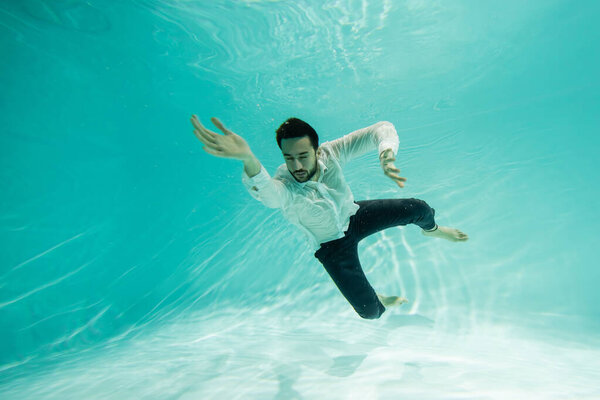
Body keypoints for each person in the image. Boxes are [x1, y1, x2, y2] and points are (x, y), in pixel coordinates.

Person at [190, 115, 468, 320]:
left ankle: (432, 230)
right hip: (331, 246)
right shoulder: (284, 185)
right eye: (289, 158)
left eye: (303, 155)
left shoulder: (331, 153)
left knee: (418, 207)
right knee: (370, 312)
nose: (297, 166)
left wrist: (386, 153)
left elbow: (381, 129)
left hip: (355, 215)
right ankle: (376, 297)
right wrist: (248, 158)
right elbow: (269, 196)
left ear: (316, 149)